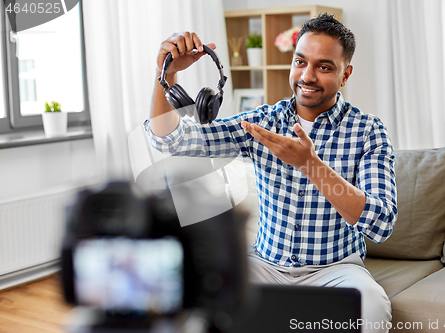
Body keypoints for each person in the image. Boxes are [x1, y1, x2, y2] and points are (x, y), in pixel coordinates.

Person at [145, 13, 397, 333]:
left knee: (371, 306)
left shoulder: (368, 131)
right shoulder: (264, 121)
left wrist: (311, 165)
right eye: (300, 62)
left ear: (345, 74)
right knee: (196, 290)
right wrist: (163, 74)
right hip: (265, 266)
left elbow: (381, 222)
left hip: (335, 270)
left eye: (324, 66)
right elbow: (171, 140)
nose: (307, 76)